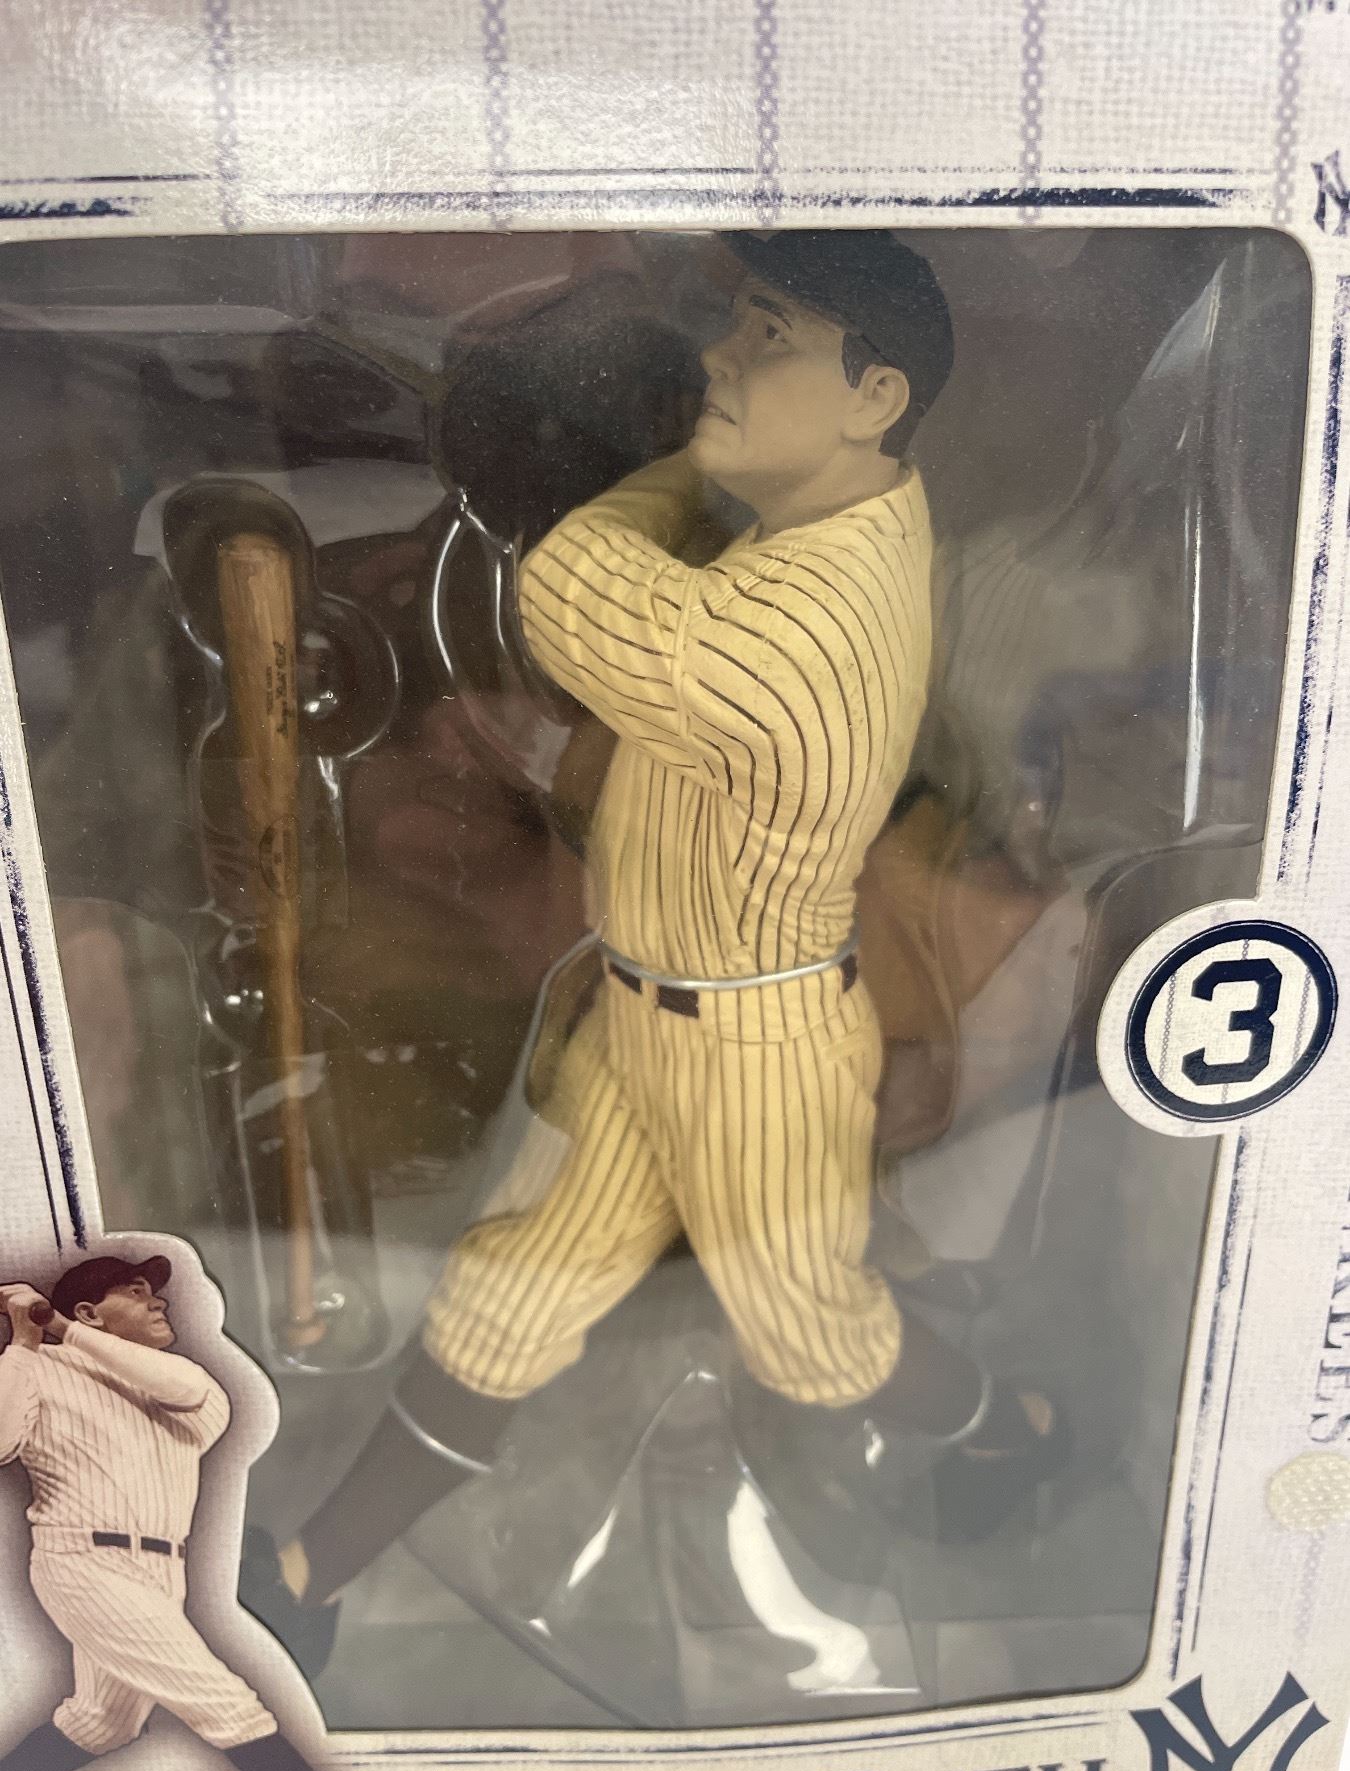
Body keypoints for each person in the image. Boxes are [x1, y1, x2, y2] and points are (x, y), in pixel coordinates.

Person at [244, 230, 1063, 1670]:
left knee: (811, 1340)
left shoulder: (806, 626)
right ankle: (305, 1581)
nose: (723, 359)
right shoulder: (820, 514)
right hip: (643, 1018)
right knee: (508, 1296)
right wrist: (680, 455)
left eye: (772, 337)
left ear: (875, 397)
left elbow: (569, 588)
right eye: (736, 323)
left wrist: (644, 459)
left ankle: (1013, 1427)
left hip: (757, 1048)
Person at [0, 1256, 346, 1771]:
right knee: (227, 1706)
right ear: (90, 1312)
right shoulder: (39, 1369)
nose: (158, 1300)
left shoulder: (177, 1381)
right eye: (135, 1292)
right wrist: (24, 1344)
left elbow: (188, 1393)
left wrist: (61, 1327)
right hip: (83, 1562)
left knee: (102, 1724)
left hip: (162, 1569)